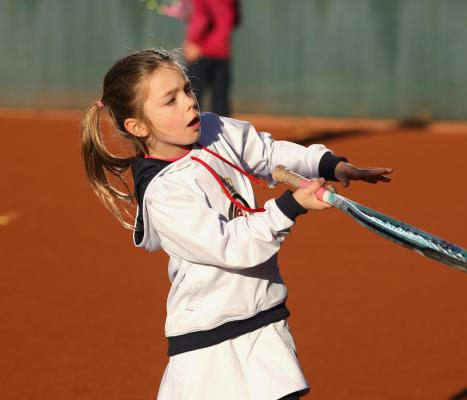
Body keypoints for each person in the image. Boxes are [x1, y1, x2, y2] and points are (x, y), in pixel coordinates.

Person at [80, 48, 393, 400]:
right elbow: (231, 245)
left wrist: (329, 165)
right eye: (170, 101)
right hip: (206, 345)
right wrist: (289, 206)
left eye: (187, 90)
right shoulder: (164, 193)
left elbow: (268, 153)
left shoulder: (215, 130)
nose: (189, 103)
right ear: (136, 126)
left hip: (263, 320)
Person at [182, 0, 240, 117]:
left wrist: (192, 41)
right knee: (220, 100)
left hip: (201, 51)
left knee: (192, 98)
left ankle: (190, 132)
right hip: (222, 52)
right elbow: (235, 20)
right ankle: (225, 134)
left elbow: (202, 18)